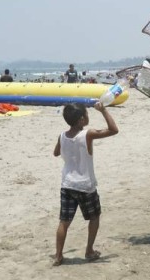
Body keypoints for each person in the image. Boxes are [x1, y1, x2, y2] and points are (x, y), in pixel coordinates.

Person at [52, 102, 118, 266]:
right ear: (82, 119)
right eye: (87, 115)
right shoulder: (87, 134)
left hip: (67, 184)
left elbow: (56, 153)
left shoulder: (62, 135)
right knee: (94, 217)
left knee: (64, 221)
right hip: (85, 186)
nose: (88, 117)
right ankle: (89, 250)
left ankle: (59, 256)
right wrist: (103, 110)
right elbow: (113, 129)